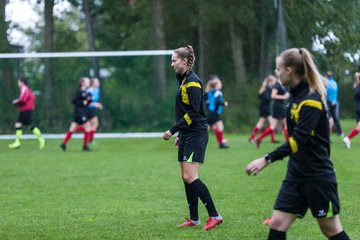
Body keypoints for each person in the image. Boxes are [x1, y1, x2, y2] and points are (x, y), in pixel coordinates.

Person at [245, 48, 350, 240]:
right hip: (296, 174)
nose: (276, 74)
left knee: (331, 229)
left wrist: (266, 159)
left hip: (317, 176)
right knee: (278, 224)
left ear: (290, 70)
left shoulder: (311, 100)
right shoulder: (294, 96)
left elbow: (298, 141)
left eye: (278, 69)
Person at [163, 45, 223, 231]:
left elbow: (194, 113)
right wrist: (181, 134)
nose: (171, 64)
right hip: (188, 133)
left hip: (196, 133)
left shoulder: (193, 82)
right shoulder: (183, 80)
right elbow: (185, 111)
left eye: (174, 60)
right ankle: (195, 218)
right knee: (185, 177)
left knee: (191, 176)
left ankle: (214, 215)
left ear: (184, 61)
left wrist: (173, 130)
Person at [9, 77, 46, 150]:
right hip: (25, 109)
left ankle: (42, 140)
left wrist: (15, 102)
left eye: (19, 82)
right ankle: (17, 142)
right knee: (18, 124)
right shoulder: (26, 89)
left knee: (30, 126)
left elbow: (23, 99)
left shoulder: (24, 88)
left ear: (22, 82)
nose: (18, 84)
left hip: (25, 109)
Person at [256, 76, 290, 148]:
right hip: (278, 106)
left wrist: (286, 95)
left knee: (273, 126)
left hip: (279, 106)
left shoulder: (282, 85)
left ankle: (259, 139)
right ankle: (288, 143)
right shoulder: (277, 85)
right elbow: (273, 96)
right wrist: (284, 96)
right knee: (286, 124)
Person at [60, 77, 92, 151]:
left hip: (81, 112)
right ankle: (85, 146)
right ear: (82, 83)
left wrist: (89, 101)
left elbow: (86, 103)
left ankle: (63, 144)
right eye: (87, 81)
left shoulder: (86, 92)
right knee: (88, 126)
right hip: (79, 112)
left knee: (73, 128)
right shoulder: (79, 92)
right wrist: (82, 102)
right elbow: (73, 101)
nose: (89, 82)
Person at [249, 75, 277, 144]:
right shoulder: (268, 88)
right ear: (270, 81)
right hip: (265, 107)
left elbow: (259, 95)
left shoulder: (265, 88)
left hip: (263, 106)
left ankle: (252, 138)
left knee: (261, 123)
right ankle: (269, 139)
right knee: (272, 124)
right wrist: (273, 97)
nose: (275, 82)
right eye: (274, 81)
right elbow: (266, 98)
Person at [205, 75, 229, 149]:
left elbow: (206, 100)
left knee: (206, 128)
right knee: (220, 127)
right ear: (216, 85)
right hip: (214, 113)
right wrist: (224, 103)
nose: (221, 84)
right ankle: (221, 144)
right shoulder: (218, 92)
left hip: (210, 112)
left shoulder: (211, 92)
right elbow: (217, 101)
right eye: (220, 83)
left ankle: (221, 143)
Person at [76, 77, 103, 144]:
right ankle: (88, 139)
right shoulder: (89, 91)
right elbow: (87, 102)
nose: (98, 83)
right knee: (91, 125)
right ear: (92, 83)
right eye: (97, 82)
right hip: (87, 109)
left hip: (92, 109)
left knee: (93, 125)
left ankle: (89, 139)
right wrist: (96, 104)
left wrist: (96, 105)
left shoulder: (97, 90)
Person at [343, 72, 360, 149]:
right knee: (359, 128)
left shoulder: (356, 86)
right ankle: (347, 138)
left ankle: (348, 139)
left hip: (358, 109)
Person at [326, 71, 344, 137]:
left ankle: (329, 132)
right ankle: (340, 132)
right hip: (334, 102)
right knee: (334, 118)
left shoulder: (327, 82)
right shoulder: (334, 83)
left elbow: (327, 93)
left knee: (329, 117)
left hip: (329, 102)